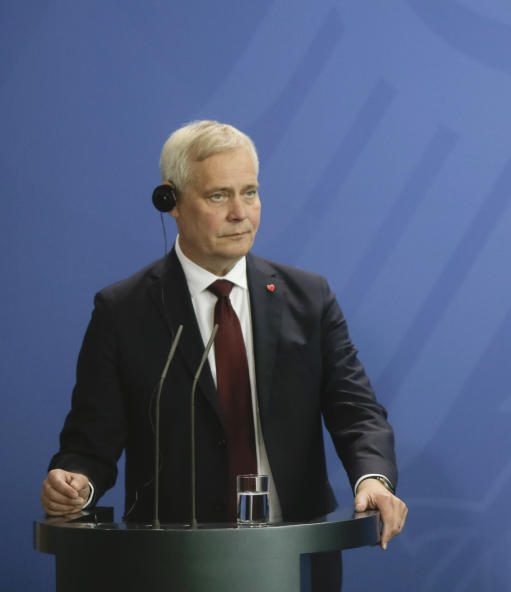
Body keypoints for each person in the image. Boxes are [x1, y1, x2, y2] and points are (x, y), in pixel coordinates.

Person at [41, 120, 407, 590]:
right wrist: (74, 486)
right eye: (219, 196)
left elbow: (357, 412)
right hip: (171, 562)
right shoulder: (124, 310)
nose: (241, 213)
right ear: (170, 202)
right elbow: (89, 445)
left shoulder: (307, 297)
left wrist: (372, 479)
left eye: (250, 192)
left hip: (290, 558)